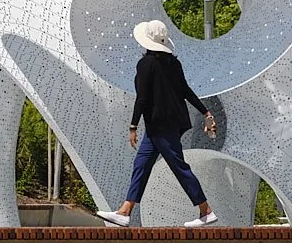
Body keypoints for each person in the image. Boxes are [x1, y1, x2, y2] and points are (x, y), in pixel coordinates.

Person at [95, 19, 223, 227]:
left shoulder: (146, 64)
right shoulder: (174, 63)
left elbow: (143, 98)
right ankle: (125, 211)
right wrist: (205, 111)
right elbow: (185, 90)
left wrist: (133, 125)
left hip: (161, 125)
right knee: (141, 164)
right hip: (166, 124)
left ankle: (205, 210)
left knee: (179, 166)